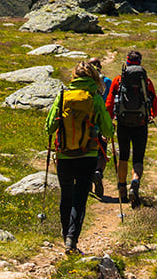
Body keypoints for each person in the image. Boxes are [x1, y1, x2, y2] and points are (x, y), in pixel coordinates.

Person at [45, 61, 114, 254]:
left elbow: (49, 126)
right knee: (80, 198)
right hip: (88, 154)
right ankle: (72, 240)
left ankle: (65, 232)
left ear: (74, 76)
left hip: (64, 154)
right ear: (93, 77)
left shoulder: (62, 95)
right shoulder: (95, 97)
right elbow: (108, 130)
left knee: (66, 195)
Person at [106, 50, 157, 209]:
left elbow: (109, 104)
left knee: (123, 155)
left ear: (127, 62)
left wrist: (111, 119)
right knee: (138, 158)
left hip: (123, 124)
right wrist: (150, 116)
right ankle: (135, 183)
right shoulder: (147, 82)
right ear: (140, 63)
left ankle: (122, 188)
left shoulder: (118, 80)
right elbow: (156, 106)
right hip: (141, 125)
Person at [88, 57, 112, 198]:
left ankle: (88, 182)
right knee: (102, 153)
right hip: (102, 121)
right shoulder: (107, 81)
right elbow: (110, 102)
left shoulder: (85, 83)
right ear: (100, 67)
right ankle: (98, 172)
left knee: (86, 152)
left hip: (85, 123)